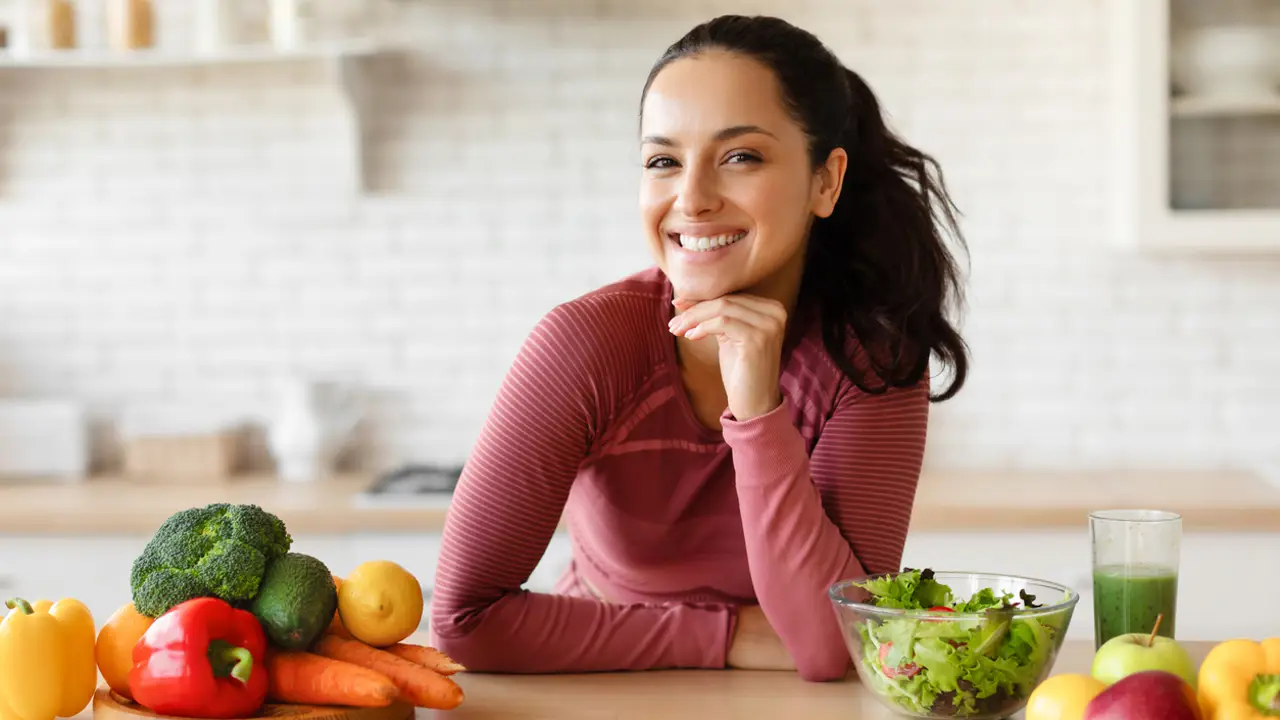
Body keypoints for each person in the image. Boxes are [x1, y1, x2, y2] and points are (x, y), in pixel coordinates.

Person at [429, 14, 969, 682]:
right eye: (664, 161)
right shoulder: (586, 345)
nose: (692, 198)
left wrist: (758, 413)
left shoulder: (872, 360)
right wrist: (728, 634)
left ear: (826, 181)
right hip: (599, 693)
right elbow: (463, 624)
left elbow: (839, 646)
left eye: (740, 156)